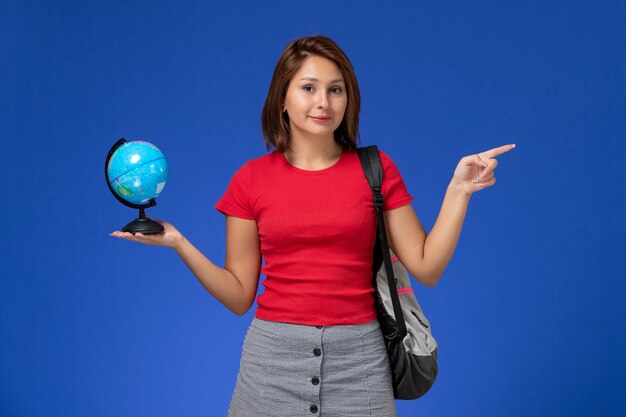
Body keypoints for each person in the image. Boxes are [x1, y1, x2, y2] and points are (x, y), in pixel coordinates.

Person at [111, 35, 515, 416]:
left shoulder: (376, 170)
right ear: (282, 98)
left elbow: (427, 266)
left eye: (335, 89)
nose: (323, 102)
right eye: (308, 88)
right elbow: (238, 297)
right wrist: (180, 243)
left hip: (361, 363)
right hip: (271, 365)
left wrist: (459, 191)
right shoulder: (250, 180)